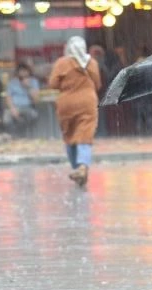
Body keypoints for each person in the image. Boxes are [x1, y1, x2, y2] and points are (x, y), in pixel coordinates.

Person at [48, 36, 101, 187]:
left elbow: (53, 84)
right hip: (87, 102)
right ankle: (83, 166)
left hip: (66, 103)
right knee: (85, 134)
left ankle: (76, 167)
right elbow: (97, 84)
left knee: (69, 135)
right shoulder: (92, 63)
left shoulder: (62, 63)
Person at [4, 62, 40, 137]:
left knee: (33, 115)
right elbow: (8, 97)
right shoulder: (12, 82)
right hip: (15, 107)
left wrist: (28, 87)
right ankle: (13, 137)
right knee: (6, 118)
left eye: (25, 71)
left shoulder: (33, 82)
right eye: (21, 71)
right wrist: (12, 109)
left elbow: (36, 100)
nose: (23, 73)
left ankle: (29, 137)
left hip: (28, 107)